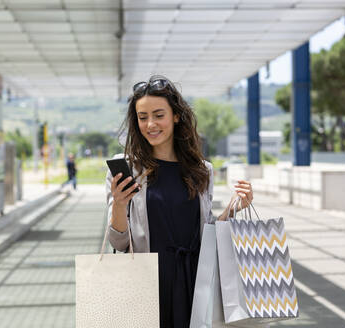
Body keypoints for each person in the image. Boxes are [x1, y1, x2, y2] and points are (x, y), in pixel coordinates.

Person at [106, 75, 254, 328]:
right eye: (143, 117)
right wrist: (119, 204)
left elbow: (208, 233)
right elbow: (118, 241)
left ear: (176, 116)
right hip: (147, 284)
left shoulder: (201, 170)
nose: (150, 124)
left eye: (158, 115)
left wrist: (233, 208)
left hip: (196, 284)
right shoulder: (127, 168)